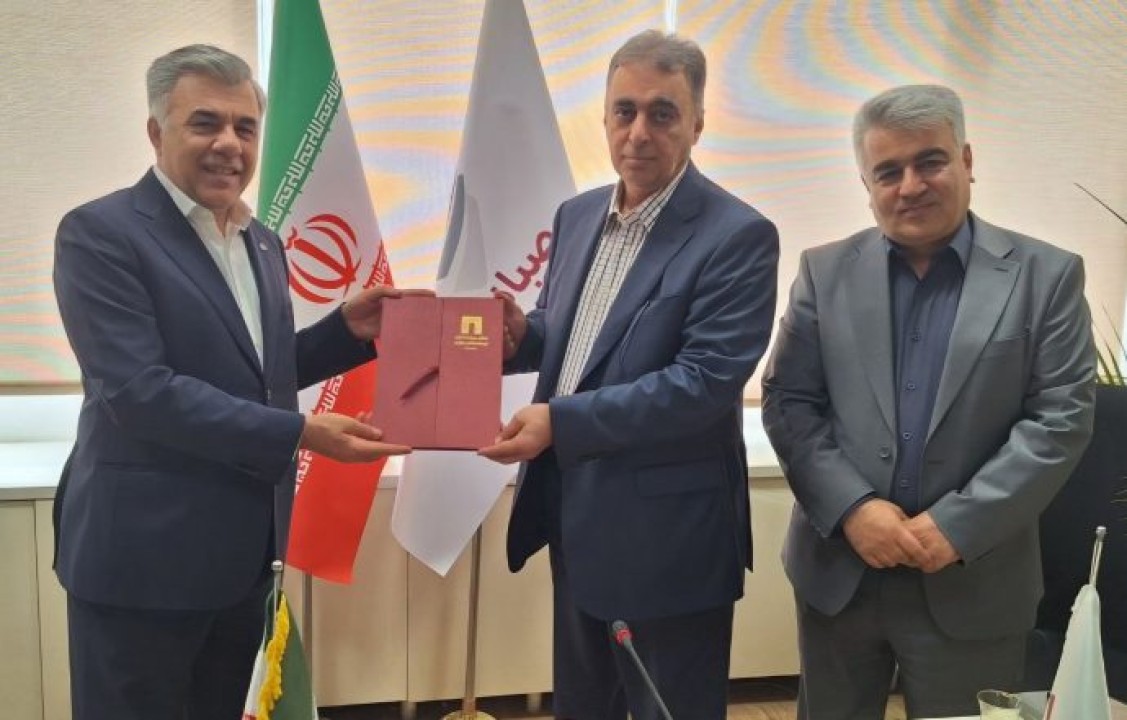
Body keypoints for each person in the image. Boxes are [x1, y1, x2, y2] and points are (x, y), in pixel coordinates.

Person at [52, 44, 415, 720]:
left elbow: (258, 374)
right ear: (156, 131)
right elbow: (141, 392)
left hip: (244, 557)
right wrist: (301, 432)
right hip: (142, 565)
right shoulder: (100, 235)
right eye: (205, 123)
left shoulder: (262, 241)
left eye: (245, 127)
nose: (229, 144)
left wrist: (346, 331)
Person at [761, 83, 1096, 719]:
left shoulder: (1046, 277)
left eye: (930, 162)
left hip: (973, 580)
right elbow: (789, 401)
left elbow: (1060, 420)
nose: (910, 186)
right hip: (840, 576)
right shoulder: (823, 273)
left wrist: (956, 526)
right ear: (867, 184)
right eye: (888, 171)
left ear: (966, 160)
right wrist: (854, 508)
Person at [479, 30, 779, 720]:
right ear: (606, 118)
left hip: (669, 543)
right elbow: (579, 339)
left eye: (662, 113)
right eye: (625, 111)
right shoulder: (578, 214)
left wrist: (559, 422)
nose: (639, 132)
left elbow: (701, 384)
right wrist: (526, 336)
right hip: (576, 517)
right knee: (583, 706)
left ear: (697, 123)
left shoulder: (737, 235)